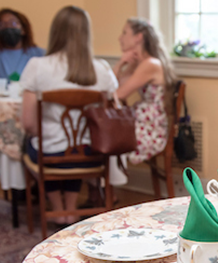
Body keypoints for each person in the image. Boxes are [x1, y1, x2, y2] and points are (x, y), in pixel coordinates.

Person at [20, 6, 118, 225]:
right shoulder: (102, 69)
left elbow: (28, 124)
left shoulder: (37, 67)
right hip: (91, 154)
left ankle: (58, 207)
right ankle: (71, 208)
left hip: (50, 155)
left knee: (31, 142)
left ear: (55, 32)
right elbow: (112, 114)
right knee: (74, 146)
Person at [113, 17, 176, 164]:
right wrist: (122, 64)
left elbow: (118, 94)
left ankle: (103, 182)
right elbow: (114, 86)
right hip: (142, 122)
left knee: (107, 136)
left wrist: (121, 64)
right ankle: (104, 182)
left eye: (124, 33)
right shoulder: (140, 63)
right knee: (105, 132)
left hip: (150, 130)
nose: (120, 38)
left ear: (138, 37)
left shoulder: (150, 64)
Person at [0, 8, 44, 80]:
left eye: (13, 23)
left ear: (23, 29)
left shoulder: (40, 55)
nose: (8, 27)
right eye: (1, 24)